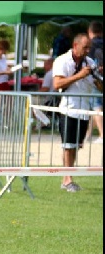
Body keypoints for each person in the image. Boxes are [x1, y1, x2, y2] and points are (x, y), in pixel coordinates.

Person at [53, 33, 98, 192]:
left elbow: (98, 87)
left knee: (75, 147)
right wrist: (79, 75)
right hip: (68, 109)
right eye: (85, 47)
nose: (87, 51)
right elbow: (57, 83)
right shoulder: (62, 61)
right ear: (75, 45)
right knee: (68, 146)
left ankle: (67, 176)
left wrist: (98, 77)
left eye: (89, 48)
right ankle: (67, 180)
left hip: (84, 110)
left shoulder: (90, 62)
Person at [87, 21, 103, 144]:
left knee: (96, 105)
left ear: (90, 32)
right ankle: (88, 134)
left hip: (96, 78)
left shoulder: (90, 45)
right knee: (94, 106)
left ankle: (102, 135)